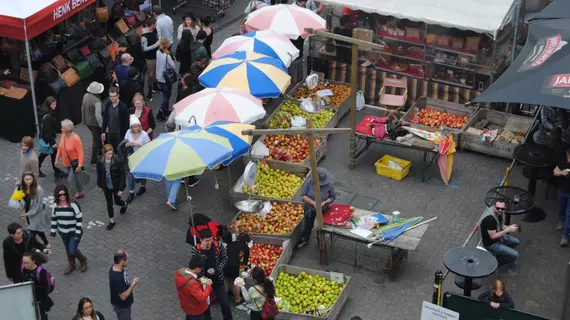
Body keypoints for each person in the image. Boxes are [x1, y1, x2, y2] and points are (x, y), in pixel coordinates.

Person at [191, 229, 233, 320]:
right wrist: (202, 252)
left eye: (211, 239)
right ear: (201, 239)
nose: (209, 242)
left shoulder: (218, 245)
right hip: (203, 281)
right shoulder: (195, 249)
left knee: (224, 302)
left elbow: (225, 258)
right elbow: (196, 265)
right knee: (205, 304)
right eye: (207, 240)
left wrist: (217, 269)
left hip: (218, 278)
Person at [50, 185, 88, 274]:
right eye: (60, 195)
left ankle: (83, 260)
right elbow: (54, 218)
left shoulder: (73, 203)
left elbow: (79, 219)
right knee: (68, 249)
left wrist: (77, 234)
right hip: (63, 232)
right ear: (57, 196)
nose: (62, 196)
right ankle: (72, 264)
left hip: (74, 232)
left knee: (72, 249)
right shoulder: (55, 205)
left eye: (64, 194)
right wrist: (53, 232)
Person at [297, 168, 336, 248]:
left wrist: (325, 202)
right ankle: (305, 239)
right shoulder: (309, 182)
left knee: (323, 225)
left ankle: (321, 239)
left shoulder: (329, 185)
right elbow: (304, 195)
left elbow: (332, 197)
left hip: (323, 209)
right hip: (310, 209)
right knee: (308, 224)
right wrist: (313, 203)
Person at [97, 144, 128, 231]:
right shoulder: (100, 161)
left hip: (116, 185)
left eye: (111, 153)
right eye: (108, 154)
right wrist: (100, 185)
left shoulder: (117, 160)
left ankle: (125, 204)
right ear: (104, 153)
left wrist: (121, 189)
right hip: (106, 186)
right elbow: (99, 173)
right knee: (109, 203)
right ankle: (112, 221)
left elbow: (122, 175)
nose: (111, 155)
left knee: (117, 202)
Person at [55, 120, 85, 199]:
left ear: (67, 130)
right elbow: (60, 148)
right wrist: (57, 159)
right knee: (75, 178)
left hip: (75, 164)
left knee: (71, 180)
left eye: (63, 128)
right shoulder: (63, 136)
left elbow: (80, 153)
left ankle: (71, 197)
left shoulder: (76, 139)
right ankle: (81, 191)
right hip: (67, 162)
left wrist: (80, 165)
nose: (61, 129)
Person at [19, 171, 50, 247]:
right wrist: (21, 204)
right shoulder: (21, 187)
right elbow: (20, 199)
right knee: (38, 229)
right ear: (23, 179)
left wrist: (27, 214)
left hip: (36, 214)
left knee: (32, 232)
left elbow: (39, 207)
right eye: (26, 179)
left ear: (33, 179)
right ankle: (46, 243)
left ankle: (33, 248)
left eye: (30, 179)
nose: (28, 181)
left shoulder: (39, 190)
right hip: (27, 212)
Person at [124, 116, 151, 203]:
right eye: (133, 127)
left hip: (142, 157)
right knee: (130, 175)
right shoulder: (128, 132)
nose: (135, 128)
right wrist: (127, 144)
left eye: (137, 126)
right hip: (132, 157)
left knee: (143, 174)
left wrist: (138, 144)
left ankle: (143, 186)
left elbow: (149, 147)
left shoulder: (144, 134)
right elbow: (124, 143)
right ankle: (131, 193)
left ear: (139, 126)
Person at [221, 231, 250, 309]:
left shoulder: (231, 243)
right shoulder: (245, 248)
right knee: (236, 282)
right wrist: (246, 269)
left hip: (224, 264)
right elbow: (244, 263)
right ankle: (238, 300)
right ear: (247, 241)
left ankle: (224, 296)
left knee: (226, 279)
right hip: (234, 267)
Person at [38, 97, 65, 177]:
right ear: (49, 105)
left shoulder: (46, 112)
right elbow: (48, 132)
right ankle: (56, 171)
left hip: (47, 139)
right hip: (49, 140)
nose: (55, 106)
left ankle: (56, 170)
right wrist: (52, 143)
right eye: (53, 104)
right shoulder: (48, 117)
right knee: (46, 154)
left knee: (47, 154)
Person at [22, 252, 54, 320]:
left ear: (33, 261)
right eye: (23, 262)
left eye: (27, 262)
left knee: (41, 314)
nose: (24, 265)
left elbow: (47, 288)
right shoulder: (23, 269)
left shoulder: (41, 272)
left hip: (40, 298)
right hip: (28, 297)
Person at [109, 249, 139, 320]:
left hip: (123, 305)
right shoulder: (117, 278)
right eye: (127, 259)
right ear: (122, 262)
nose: (128, 261)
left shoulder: (115, 266)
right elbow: (123, 297)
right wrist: (133, 284)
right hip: (122, 307)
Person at [81, 82, 104, 165]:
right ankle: (93, 158)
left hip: (87, 121)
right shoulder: (96, 101)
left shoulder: (86, 96)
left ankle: (100, 150)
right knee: (96, 139)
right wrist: (102, 125)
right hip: (94, 123)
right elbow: (98, 115)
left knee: (96, 137)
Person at [156, 38, 176, 121]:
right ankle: (161, 112)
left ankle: (165, 110)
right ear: (167, 45)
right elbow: (173, 66)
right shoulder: (167, 56)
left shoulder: (157, 52)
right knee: (166, 95)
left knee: (165, 94)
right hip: (165, 78)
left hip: (159, 76)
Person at [141, 18, 160, 101]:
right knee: (151, 75)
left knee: (155, 71)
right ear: (151, 24)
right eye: (155, 23)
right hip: (150, 58)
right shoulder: (144, 36)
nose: (156, 25)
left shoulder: (154, 30)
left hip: (156, 55)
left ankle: (155, 87)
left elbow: (156, 38)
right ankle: (149, 92)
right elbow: (144, 49)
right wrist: (155, 45)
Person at [555, 149, 570, 246]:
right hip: (563, 190)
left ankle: (565, 236)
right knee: (561, 207)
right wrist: (562, 172)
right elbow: (555, 171)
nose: (568, 160)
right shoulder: (564, 161)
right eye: (568, 157)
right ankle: (561, 220)